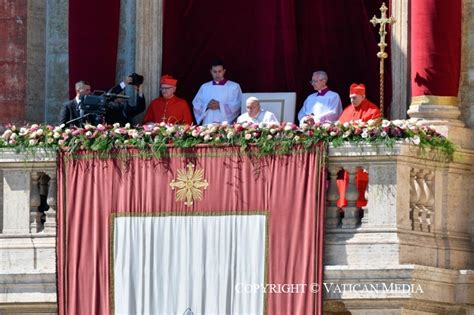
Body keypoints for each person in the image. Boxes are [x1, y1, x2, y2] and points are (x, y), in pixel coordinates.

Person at [336, 83, 382, 226]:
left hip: (364, 157)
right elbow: (338, 126)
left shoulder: (373, 110)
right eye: (350, 98)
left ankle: (362, 211)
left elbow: (375, 129)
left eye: (355, 98)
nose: (352, 101)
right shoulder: (347, 110)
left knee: (361, 185)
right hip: (348, 157)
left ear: (363, 96)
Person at [58, 76, 145, 127]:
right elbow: (110, 93)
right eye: (87, 90)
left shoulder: (120, 106)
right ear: (78, 90)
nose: (90, 93)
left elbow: (139, 108)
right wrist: (124, 83)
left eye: (90, 90)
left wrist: (140, 90)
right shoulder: (99, 102)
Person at [192, 59, 242, 125]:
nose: (217, 74)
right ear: (211, 72)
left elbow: (238, 104)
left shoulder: (234, 86)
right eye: (214, 72)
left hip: (225, 123)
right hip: (208, 121)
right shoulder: (205, 87)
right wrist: (206, 105)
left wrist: (220, 105)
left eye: (219, 71)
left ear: (224, 71)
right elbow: (196, 104)